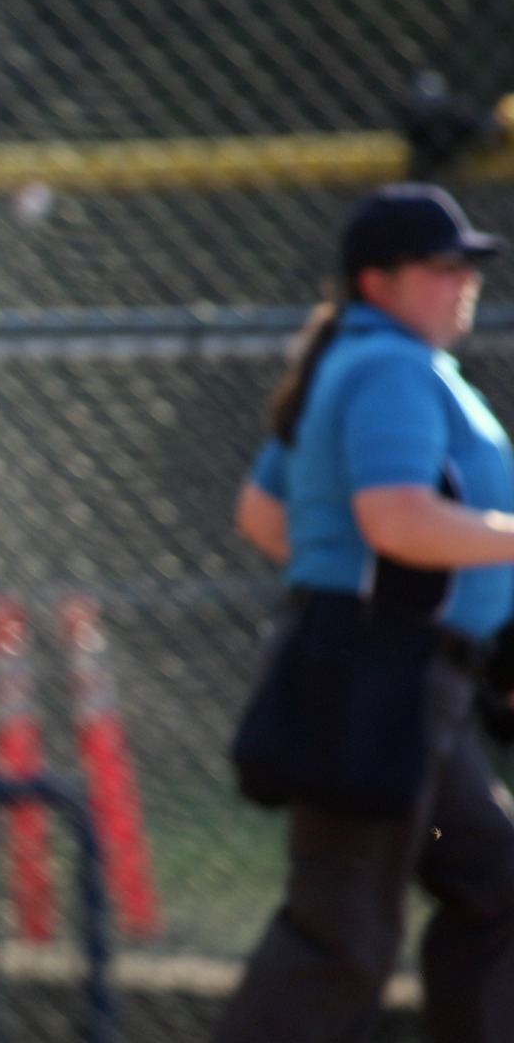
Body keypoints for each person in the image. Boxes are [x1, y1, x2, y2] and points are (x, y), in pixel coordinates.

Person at [216, 183, 514, 1042]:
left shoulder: (355, 354)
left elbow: (266, 515)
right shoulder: (391, 364)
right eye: (441, 266)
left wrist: (347, 584)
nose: (464, 280)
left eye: (470, 266)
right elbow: (396, 518)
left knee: (494, 882)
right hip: (381, 678)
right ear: (377, 281)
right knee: (341, 933)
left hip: (398, 672)